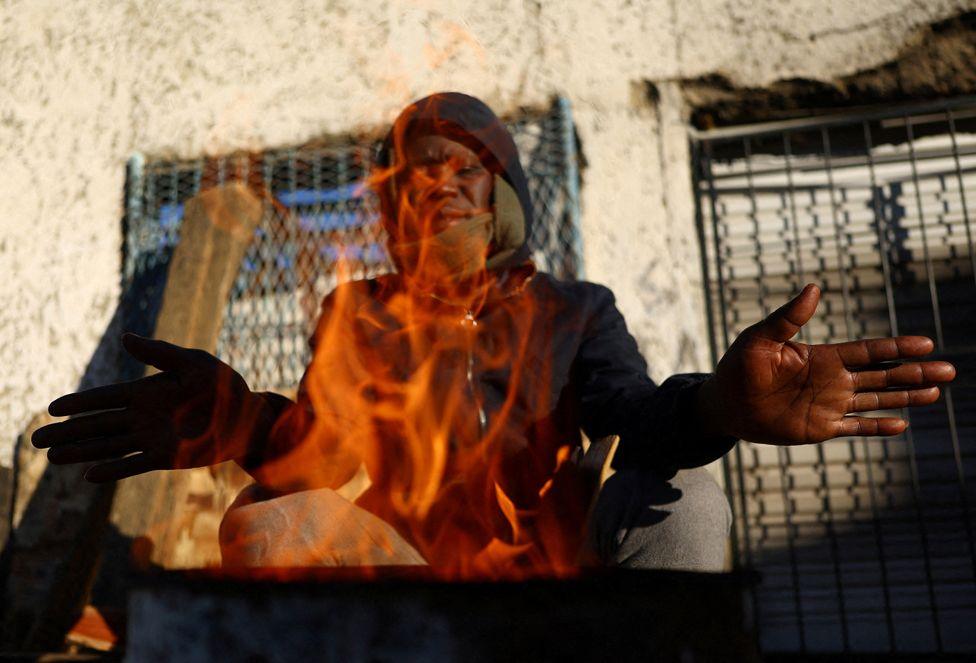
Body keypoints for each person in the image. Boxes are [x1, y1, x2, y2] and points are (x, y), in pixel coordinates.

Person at [33, 93, 956, 575]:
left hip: (560, 570)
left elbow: (636, 417)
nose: (430, 188)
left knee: (688, 503)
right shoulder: (358, 312)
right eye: (409, 179)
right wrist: (236, 424)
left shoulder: (575, 308)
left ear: (502, 194)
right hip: (415, 576)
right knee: (269, 523)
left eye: (455, 170)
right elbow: (311, 457)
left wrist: (718, 402)